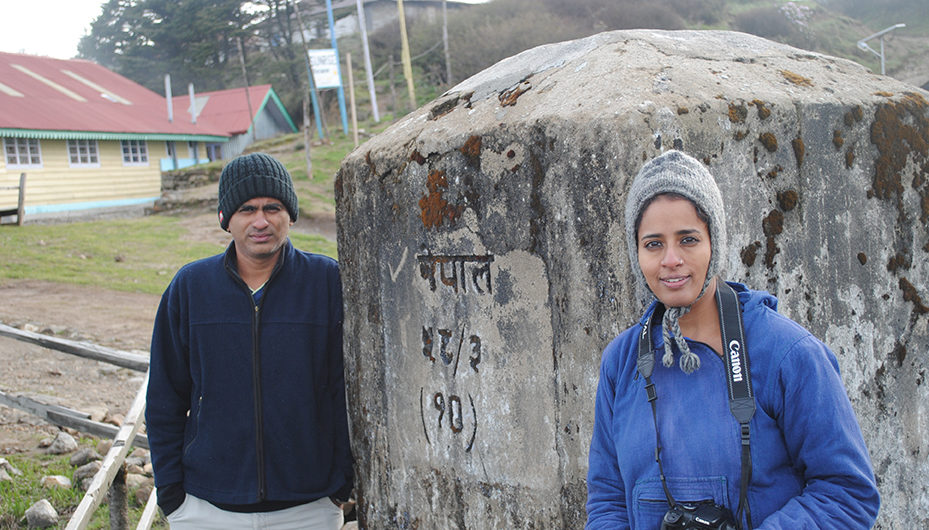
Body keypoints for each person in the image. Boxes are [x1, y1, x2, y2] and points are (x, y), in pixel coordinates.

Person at [586, 150, 879, 529]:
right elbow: (608, 501)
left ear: (715, 243)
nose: (670, 259)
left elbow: (848, 492)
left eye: (688, 239)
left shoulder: (787, 354)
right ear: (635, 252)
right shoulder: (621, 362)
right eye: (653, 243)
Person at [146, 152, 353, 529]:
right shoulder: (190, 288)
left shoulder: (325, 282)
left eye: (272, 207)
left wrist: (340, 483)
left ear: (290, 214)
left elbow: (345, 388)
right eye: (246, 209)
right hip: (205, 508)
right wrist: (172, 494)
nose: (261, 221)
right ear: (225, 218)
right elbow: (164, 398)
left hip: (308, 508)